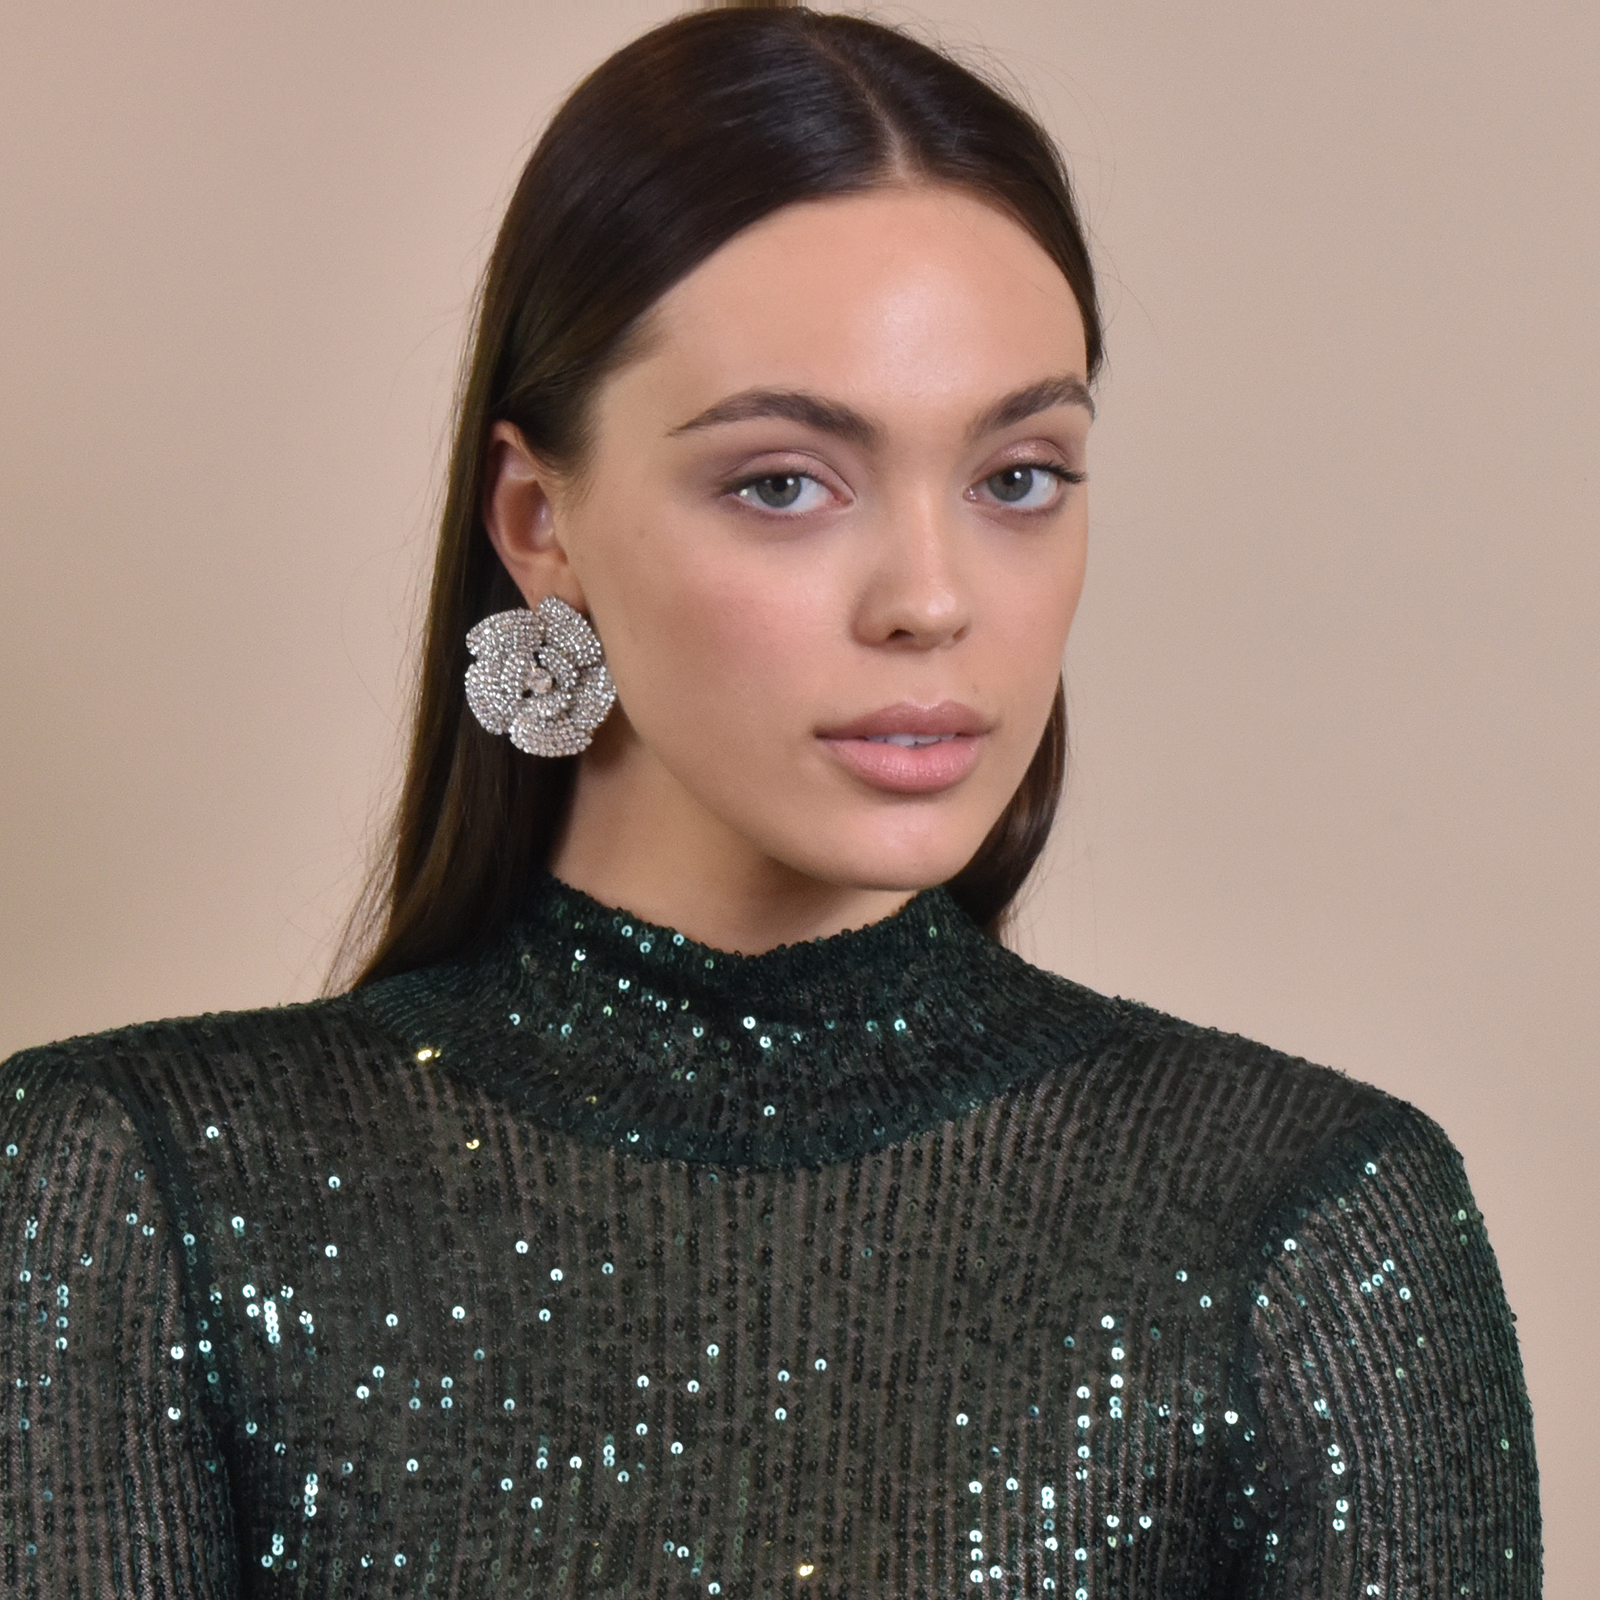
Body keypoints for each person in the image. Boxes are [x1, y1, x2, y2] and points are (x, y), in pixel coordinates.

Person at [0, 5, 1539, 1595]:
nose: (931, 599)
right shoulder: (135, 1197)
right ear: (539, 522)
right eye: (784, 482)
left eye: (1017, 476)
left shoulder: (1308, 1220)